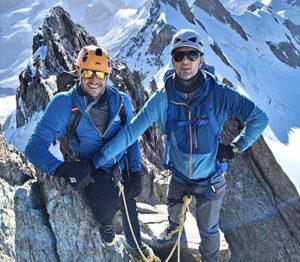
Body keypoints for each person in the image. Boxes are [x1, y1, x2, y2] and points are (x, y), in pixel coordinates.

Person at [90, 29, 269, 262]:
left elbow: (260, 118)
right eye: (179, 56)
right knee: (174, 220)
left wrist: (234, 148)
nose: (186, 61)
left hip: (210, 180)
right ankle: (176, 241)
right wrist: (95, 162)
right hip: (180, 177)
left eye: (192, 55)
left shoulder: (219, 94)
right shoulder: (163, 98)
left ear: (201, 59)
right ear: (172, 60)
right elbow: (130, 133)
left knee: (209, 231)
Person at [25, 45, 159, 262]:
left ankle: (135, 244)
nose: (94, 80)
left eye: (100, 74)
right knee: (106, 207)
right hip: (91, 169)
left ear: (108, 76)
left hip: (122, 166)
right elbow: (33, 147)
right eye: (87, 73)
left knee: (129, 203)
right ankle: (107, 225)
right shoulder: (64, 104)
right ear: (78, 73)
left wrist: (135, 170)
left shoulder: (122, 101)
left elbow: (131, 137)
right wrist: (63, 169)